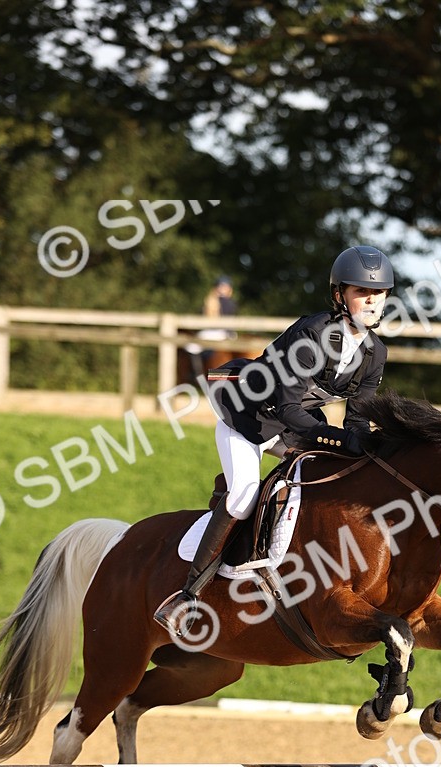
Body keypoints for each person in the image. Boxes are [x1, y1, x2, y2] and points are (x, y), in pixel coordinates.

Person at [154, 244, 394, 636]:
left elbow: (357, 417)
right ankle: (188, 594)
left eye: (379, 293)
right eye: (361, 292)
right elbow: (287, 411)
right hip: (249, 418)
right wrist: (338, 440)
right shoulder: (312, 334)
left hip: (297, 424)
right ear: (339, 296)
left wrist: (364, 447)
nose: (371, 301)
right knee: (245, 493)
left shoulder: (374, 353)